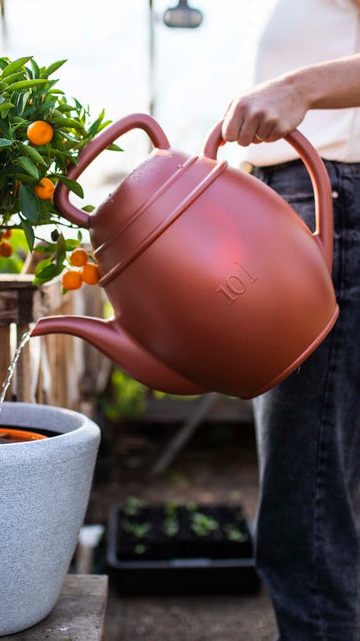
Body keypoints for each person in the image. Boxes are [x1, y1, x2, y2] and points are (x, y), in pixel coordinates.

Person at [221, 1, 360, 640]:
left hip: (329, 200)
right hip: (301, 192)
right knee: (325, 486)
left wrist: (298, 88)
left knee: (307, 495)